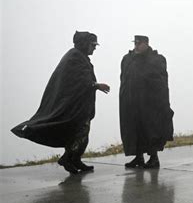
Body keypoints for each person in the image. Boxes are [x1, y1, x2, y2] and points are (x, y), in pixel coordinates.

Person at [11, 31, 110, 174]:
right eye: (93, 45)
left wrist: (93, 86)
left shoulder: (80, 57)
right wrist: (96, 85)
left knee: (81, 133)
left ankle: (75, 159)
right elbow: (77, 81)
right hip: (73, 107)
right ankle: (67, 158)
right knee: (79, 133)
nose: (94, 48)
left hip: (80, 106)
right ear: (84, 44)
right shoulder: (74, 57)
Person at [119, 35, 174, 169]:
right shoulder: (128, 59)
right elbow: (124, 79)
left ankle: (154, 158)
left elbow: (161, 81)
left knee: (150, 130)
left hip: (149, 103)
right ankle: (138, 157)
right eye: (135, 44)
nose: (136, 46)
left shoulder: (156, 59)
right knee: (134, 129)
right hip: (131, 102)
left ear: (146, 44)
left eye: (139, 44)